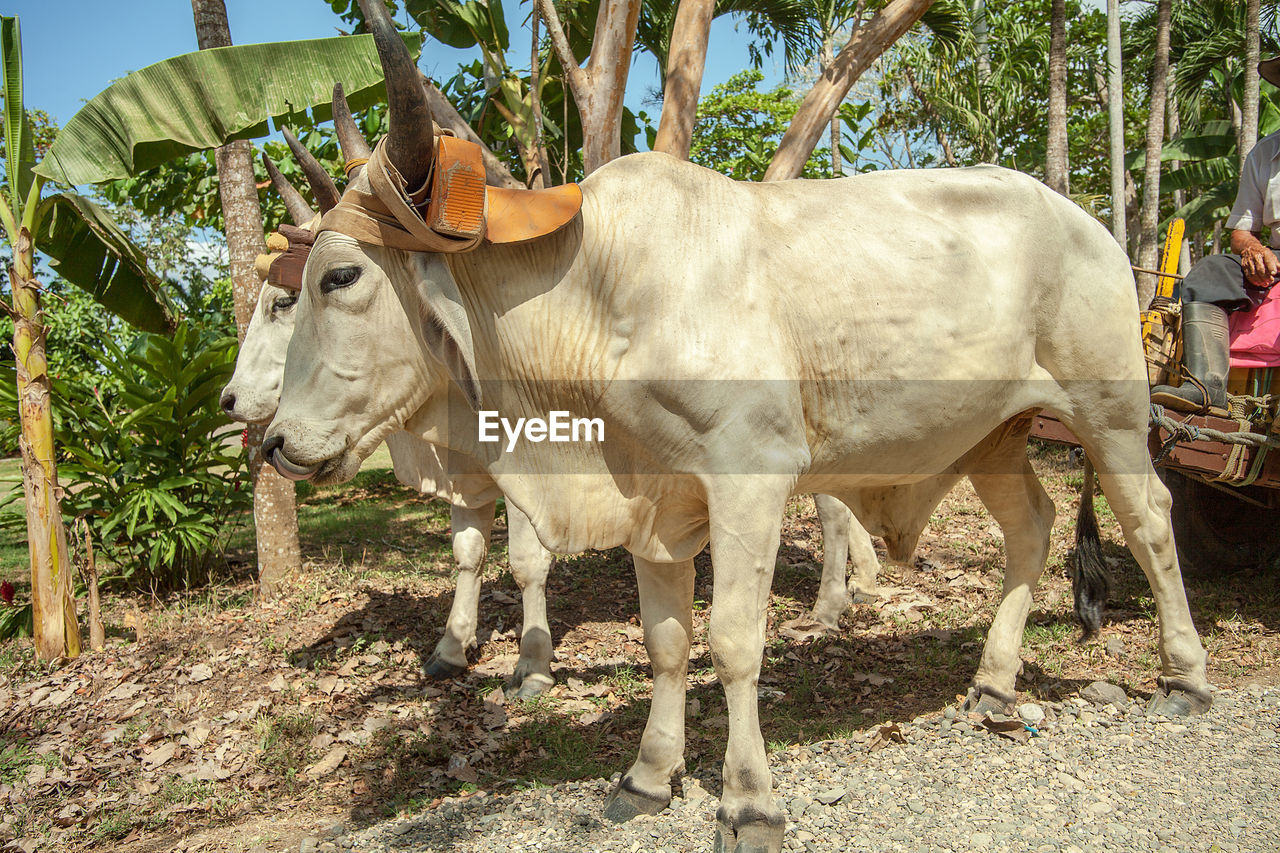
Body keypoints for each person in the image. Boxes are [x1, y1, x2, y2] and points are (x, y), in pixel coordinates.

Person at [1150, 56, 1280, 415]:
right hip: (1278, 256)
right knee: (1208, 272)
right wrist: (1253, 248)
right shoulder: (1266, 153)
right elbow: (1242, 229)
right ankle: (1208, 387)